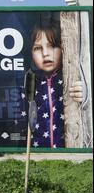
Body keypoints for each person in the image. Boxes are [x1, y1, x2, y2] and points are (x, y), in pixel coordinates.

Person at [29, 21, 84, 149]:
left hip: (71, 153)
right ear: (30, 53)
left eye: (52, 46)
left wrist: (87, 96)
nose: (45, 53)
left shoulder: (73, 78)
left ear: (63, 47)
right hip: (37, 155)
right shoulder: (29, 83)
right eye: (38, 48)